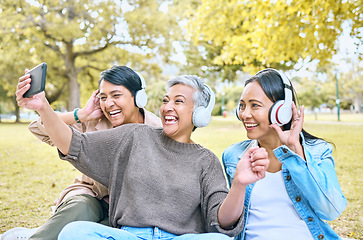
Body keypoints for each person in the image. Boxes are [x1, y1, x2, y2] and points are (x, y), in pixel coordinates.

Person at [15, 72, 269, 239]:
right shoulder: (135, 136)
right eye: (166, 100)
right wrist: (43, 106)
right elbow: (74, 144)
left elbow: (221, 222)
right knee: (74, 232)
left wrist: (238, 184)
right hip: (130, 235)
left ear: (199, 113)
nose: (168, 107)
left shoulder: (206, 160)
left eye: (178, 102)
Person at [1, 66, 161, 240]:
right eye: (103, 97)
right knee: (82, 207)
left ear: (138, 97)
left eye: (116, 95)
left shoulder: (158, 131)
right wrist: (82, 114)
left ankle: (40, 232)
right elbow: (39, 128)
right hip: (91, 194)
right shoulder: (95, 121)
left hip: (130, 207)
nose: (108, 104)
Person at [222, 68, 347, 240]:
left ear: (281, 111)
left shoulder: (318, 150)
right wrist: (238, 184)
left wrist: (297, 153)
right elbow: (228, 223)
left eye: (255, 105)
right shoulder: (234, 156)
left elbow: (330, 210)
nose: (244, 114)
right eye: (242, 105)